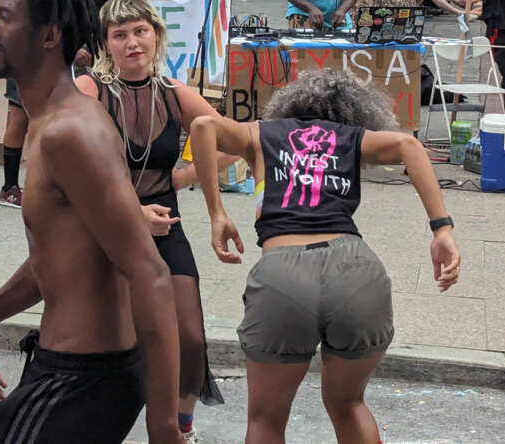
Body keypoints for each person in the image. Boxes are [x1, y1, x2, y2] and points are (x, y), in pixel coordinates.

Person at [0, 0, 183, 444]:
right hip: (72, 370)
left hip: (83, 378)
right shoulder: (48, 124)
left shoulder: (71, 132)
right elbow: (58, 256)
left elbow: (150, 272)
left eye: (5, 17)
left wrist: (164, 428)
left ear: (49, 35)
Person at [187, 69, 461, 444]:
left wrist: (217, 213)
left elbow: (203, 125)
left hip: (284, 271)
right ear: (354, 115)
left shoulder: (260, 134)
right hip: (355, 270)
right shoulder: (351, 138)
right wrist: (441, 228)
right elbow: (409, 146)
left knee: (266, 419)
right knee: (349, 404)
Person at [75, 0, 228, 440]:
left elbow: (229, 140)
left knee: (191, 339)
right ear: (106, 44)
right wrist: (131, 213)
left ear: (156, 36)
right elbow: (70, 169)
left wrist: (183, 179)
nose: (131, 42)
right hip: (106, 230)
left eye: (140, 31)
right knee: (116, 341)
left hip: (166, 225)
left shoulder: (175, 94)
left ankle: (182, 426)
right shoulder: (91, 90)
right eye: (119, 34)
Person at [0, 0, 72, 208]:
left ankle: (42, 183)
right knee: (21, 118)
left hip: (50, 60)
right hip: (27, 58)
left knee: (46, 120)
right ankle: (10, 187)